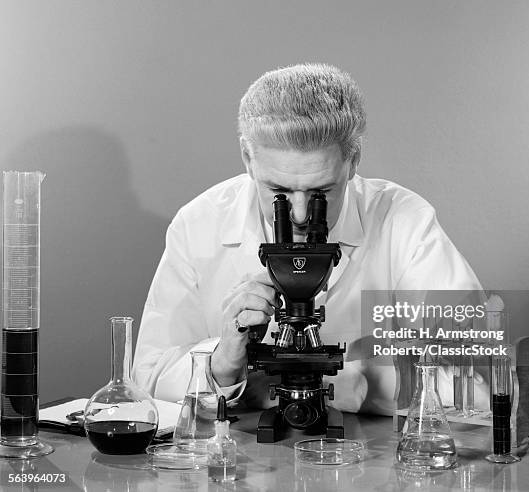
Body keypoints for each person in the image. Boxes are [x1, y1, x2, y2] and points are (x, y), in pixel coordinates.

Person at [132, 63, 485, 415]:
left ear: (354, 160)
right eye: (279, 191)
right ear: (248, 159)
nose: (300, 215)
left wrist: (356, 382)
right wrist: (224, 360)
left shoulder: (404, 222)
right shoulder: (200, 224)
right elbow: (147, 378)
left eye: (321, 192)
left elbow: (484, 385)